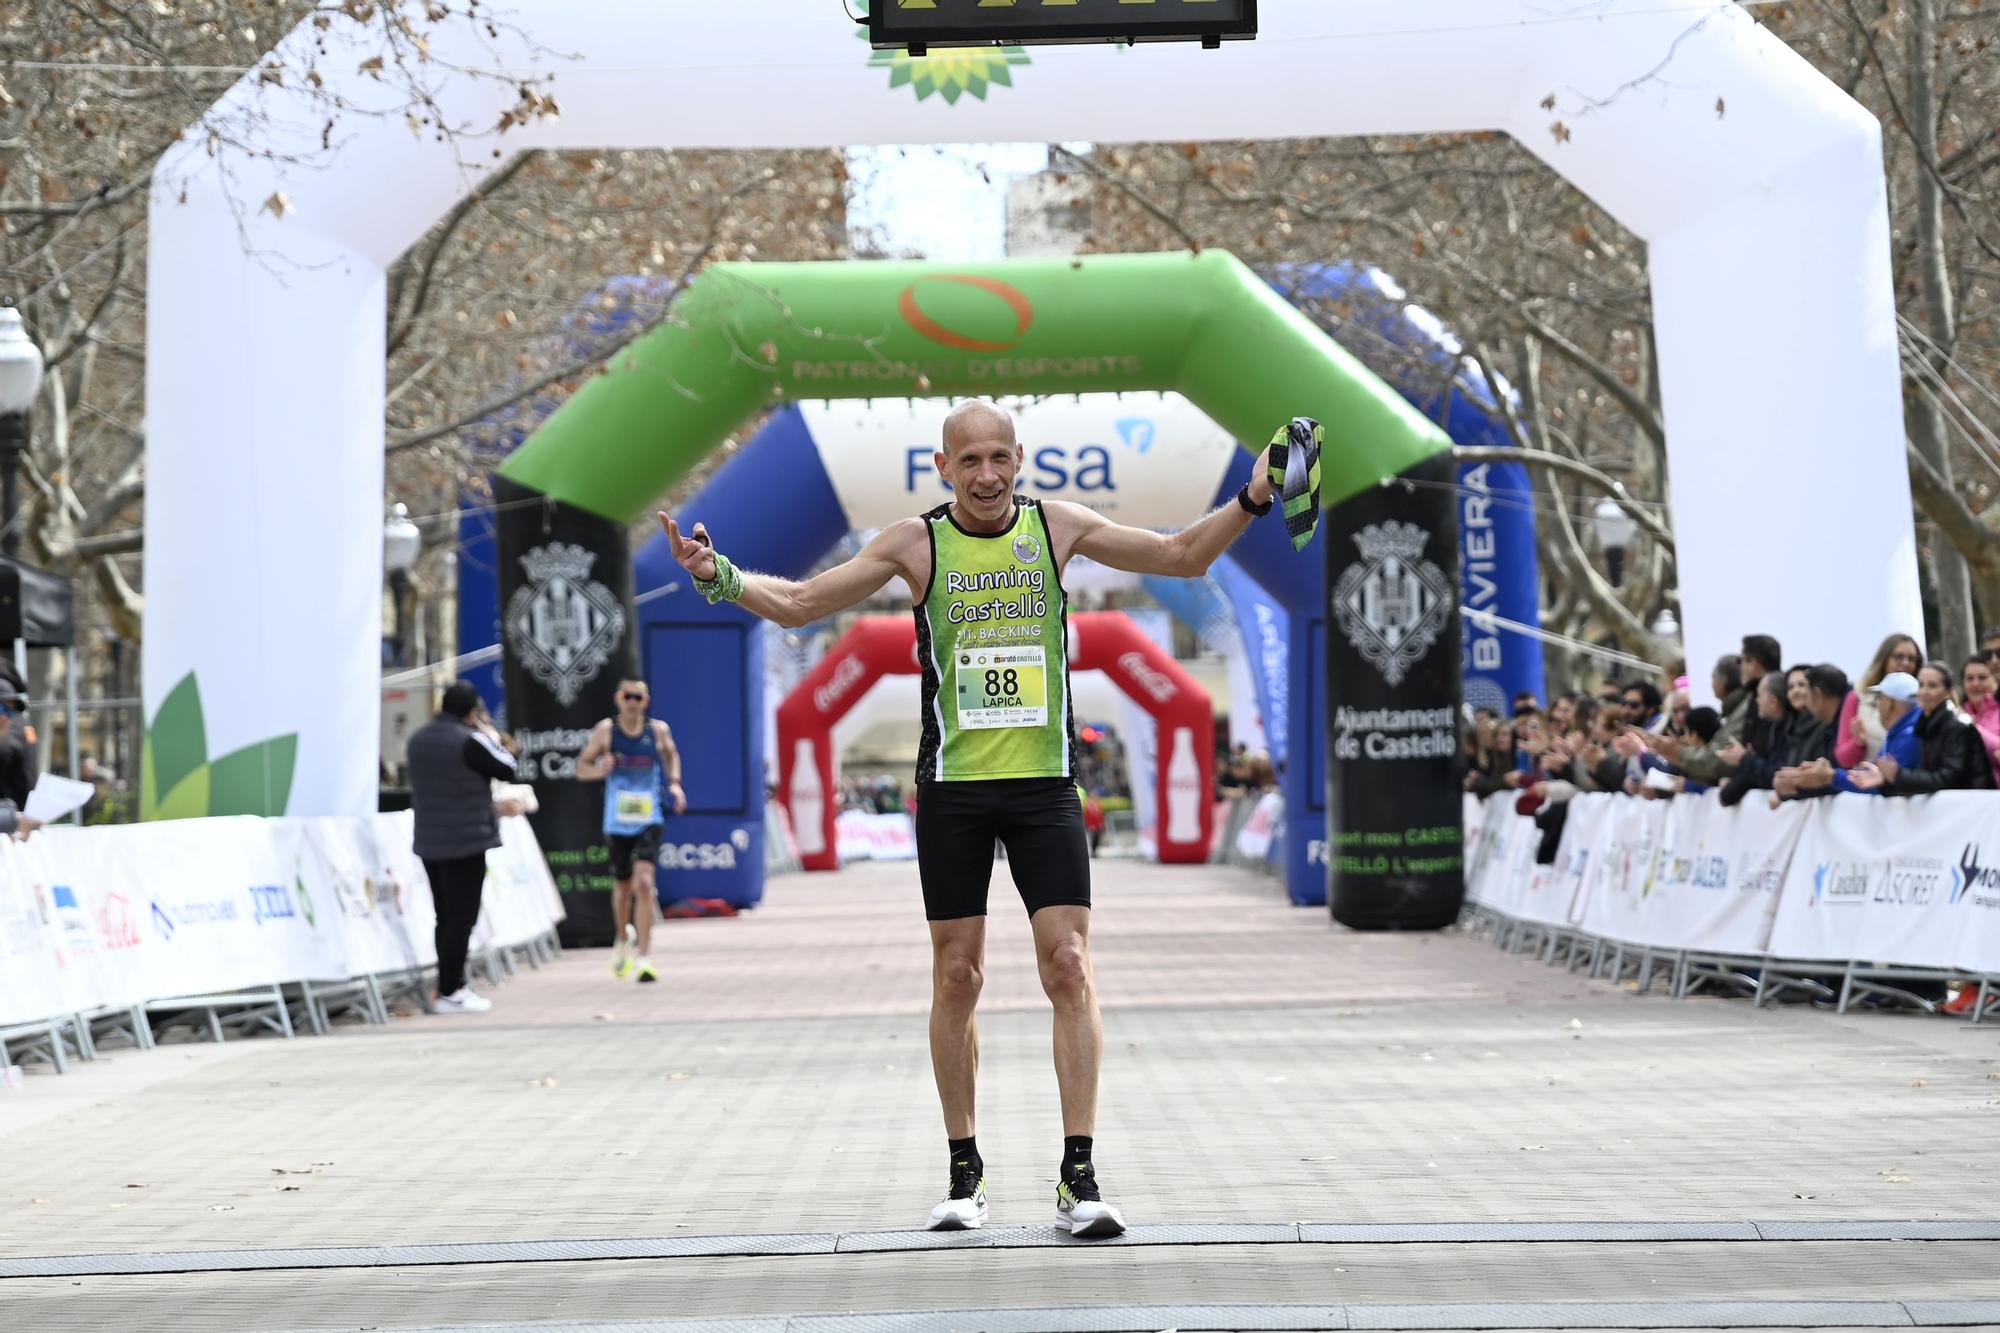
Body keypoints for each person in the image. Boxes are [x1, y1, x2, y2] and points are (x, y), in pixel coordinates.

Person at [660, 398, 1288, 1238]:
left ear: (1019, 459)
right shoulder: (913, 543)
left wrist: (1250, 497)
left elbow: (1178, 555)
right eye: (971, 462)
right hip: (954, 789)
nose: (987, 475)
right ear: (944, 469)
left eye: (1000, 458)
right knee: (959, 975)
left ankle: (1078, 1175)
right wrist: (718, 574)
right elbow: (807, 601)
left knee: (1068, 964)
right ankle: (965, 1170)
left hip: (1045, 787)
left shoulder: (1058, 526)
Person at [408, 682, 524, 1014]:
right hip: (466, 841)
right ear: (472, 714)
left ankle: (447, 987)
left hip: (429, 840)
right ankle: (451, 989)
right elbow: (509, 766)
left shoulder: (418, 739)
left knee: (444, 916)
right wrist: (488, 733)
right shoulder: (470, 740)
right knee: (462, 918)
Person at [576, 676, 686, 984]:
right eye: (628, 696)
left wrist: (675, 784)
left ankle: (645, 958)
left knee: (644, 883)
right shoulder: (606, 731)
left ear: (646, 702)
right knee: (623, 888)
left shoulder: (657, 730)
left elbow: (670, 754)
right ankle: (623, 937)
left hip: (649, 817)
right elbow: (581, 767)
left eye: (639, 697)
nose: (633, 702)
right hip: (617, 821)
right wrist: (601, 769)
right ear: (618, 699)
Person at [1847, 663, 1995, 795]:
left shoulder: (1958, 726)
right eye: (1921, 685)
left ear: (1948, 693)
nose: (1924, 692)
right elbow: (1922, 781)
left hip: (1974, 815)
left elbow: (1947, 779)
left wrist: (1896, 776)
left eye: (1932, 686)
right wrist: (1886, 782)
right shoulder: (1925, 724)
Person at [1791, 672, 1922, 798]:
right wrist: (1831, 774)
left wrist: (1831, 776)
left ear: (1890, 703)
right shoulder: (1901, 731)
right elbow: (1872, 777)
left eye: (1879, 699)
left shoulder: (1908, 736)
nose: (1877, 706)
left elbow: (1881, 785)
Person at [1836, 633, 1921, 768]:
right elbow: (1843, 758)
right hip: (1864, 783)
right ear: (1883, 659)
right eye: (1898, 657)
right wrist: (1858, 743)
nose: (1905, 663)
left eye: (1912, 659)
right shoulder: (1857, 696)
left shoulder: (1924, 700)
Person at [1962, 653, 2000, 786]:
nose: (1975, 683)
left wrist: (1972, 728)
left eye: (1982, 678)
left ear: (1995, 680)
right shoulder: (1957, 716)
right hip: (1964, 798)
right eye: (1969, 678)